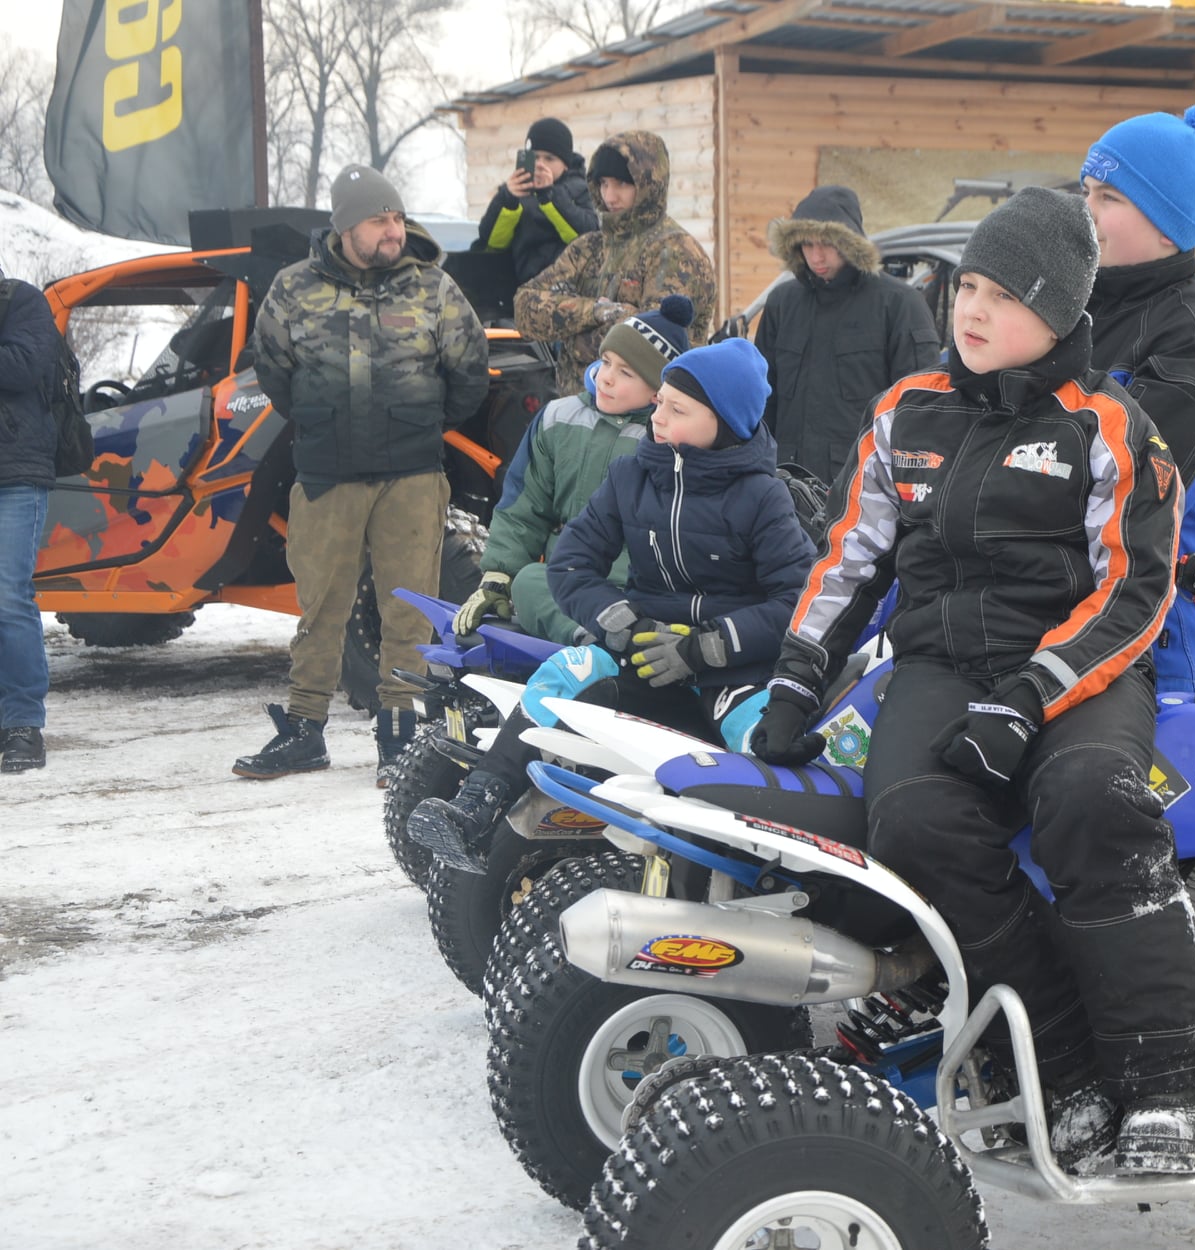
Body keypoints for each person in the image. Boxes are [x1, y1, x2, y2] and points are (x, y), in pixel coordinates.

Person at [747, 188, 1195, 1174]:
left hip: (1078, 671)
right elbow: (849, 554)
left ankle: (1169, 1078)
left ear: (1054, 314)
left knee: (1089, 799)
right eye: (965, 284)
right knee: (912, 822)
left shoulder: (1111, 425)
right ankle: (1061, 1067)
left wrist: (1030, 695)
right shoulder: (904, 411)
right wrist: (796, 677)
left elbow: (1134, 589)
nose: (969, 310)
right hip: (938, 666)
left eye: (1000, 295)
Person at [408, 337, 815, 862]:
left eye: (677, 408)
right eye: (660, 400)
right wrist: (616, 621)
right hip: (642, 658)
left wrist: (704, 649)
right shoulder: (631, 476)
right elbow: (572, 563)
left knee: (759, 734)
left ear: (726, 424)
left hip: (731, 672)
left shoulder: (763, 496)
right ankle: (476, 808)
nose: (658, 415)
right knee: (569, 667)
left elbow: (798, 599)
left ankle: (774, 860)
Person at [235, 166, 490, 783]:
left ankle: (399, 733)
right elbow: (272, 370)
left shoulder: (433, 288)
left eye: (398, 218)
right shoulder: (293, 288)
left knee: (407, 606)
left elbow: (470, 371)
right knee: (321, 604)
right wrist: (326, 421)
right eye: (380, 220)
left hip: (411, 475)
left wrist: (416, 422)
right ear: (347, 225)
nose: (393, 230)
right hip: (327, 475)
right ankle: (303, 731)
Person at [1082, 103, 1195, 694]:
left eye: (1110, 197)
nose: (1088, 211)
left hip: (1140, 645)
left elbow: (1127, 496)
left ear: (1165, 222)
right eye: (1086, 190)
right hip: (1037, 618)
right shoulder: (1074, 309)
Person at [453, 296, 694, 646]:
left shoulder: (670, 437)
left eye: (626, 373)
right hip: (569, 580)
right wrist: (498, 576)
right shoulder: (558, 418)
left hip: (637, 583)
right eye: (606, 362)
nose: (607, 378)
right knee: (529, 582)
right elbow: (525, 507)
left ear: (659, 392)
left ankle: (616, 636)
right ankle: (591, 641)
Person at [753, 185, 941, 489]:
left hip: (864, 488)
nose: (816, 255)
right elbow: (761, 401)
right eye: (806, 243)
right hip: (786, 484)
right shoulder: (782, 303)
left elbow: (920, 410)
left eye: (828, 243)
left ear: (850, 242)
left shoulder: (898, 304)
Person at [515, 131, 717, 397]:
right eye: (603, 183)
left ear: (648, 184)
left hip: (647, 424)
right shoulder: (589, 248)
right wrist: (597, 312)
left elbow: (651, 346)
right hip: (578, 414)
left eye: (622, 184)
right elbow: (524, 307)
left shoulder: (676, 253)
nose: (609, 196)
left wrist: (567, 339)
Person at [0, 265, 59, 773]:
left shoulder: (21, 301)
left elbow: (22, 366)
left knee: (8, 595)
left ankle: (21, 722)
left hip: (15, 473)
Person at [473, 117, 599, 285]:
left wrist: (549, 196)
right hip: (525, 288)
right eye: (535, 157)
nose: (540, 164)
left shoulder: (580, 189)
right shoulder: (515, 192)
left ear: (565, 164)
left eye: (549, 158)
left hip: (570, 286)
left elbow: (588, 237)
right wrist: (507, 200)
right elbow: (492, 242)